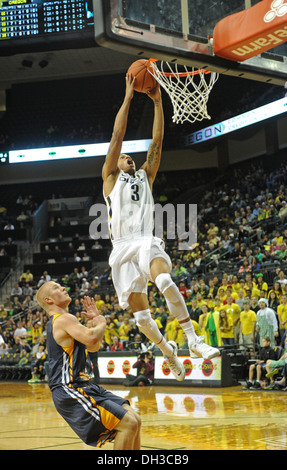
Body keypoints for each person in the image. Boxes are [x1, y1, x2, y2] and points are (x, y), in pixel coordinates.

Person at [102, 73, 219, 382]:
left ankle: (192, 340)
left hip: (143, 240)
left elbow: (157, 141)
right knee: (142, 317)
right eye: (123, 156)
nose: (126, 157)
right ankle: (168, 352)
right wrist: (127, 98)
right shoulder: (110, 178)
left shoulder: (145, 175)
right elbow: (117, 137)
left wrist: (157, 102)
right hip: (121, 248)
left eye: (129, 156)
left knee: (165, 279)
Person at [35, 281, 141, 450]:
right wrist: (101, 322)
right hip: (69, 388)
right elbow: (92, 338)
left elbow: (93, 346)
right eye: (56, 287)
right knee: (128, 423)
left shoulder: (66, 321)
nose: (63, 287)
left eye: (62, 285)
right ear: (48, 300)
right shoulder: (63, 319)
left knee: (135, 419)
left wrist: (93, 324)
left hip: (84, 385)